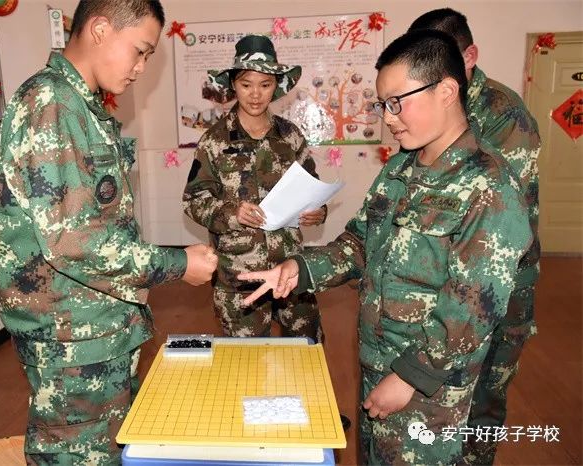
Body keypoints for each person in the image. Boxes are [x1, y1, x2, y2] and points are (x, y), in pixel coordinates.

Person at [239, 29, 533, 465]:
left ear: (446, 91)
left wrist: (410, 377)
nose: (389, 118)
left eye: (397, 102)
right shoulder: (399, 169)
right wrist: (300, 269)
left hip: (429, 389)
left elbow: (473, 307)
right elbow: (360, 242)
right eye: (383, 105)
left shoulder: (489, 186)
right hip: (378, 361)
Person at [0, 1, 217, 463]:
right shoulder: (51, 104)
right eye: (140, 50)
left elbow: (99, 221)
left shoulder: (81, 107)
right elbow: (74, 242)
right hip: (72, 338)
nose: (141, 67)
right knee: (77, 455)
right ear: (99, 29)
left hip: (98, 327)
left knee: (110, 449)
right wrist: (178, 263)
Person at [408, 9, 541, 465]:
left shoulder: (505, 117)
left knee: (482, 397)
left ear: (470, 57)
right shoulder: (427, 108)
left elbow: (494, 220)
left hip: (495, 287)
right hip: (440, 282)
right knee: (438, 398)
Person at [182, 34, 326, 342]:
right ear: (233, 84)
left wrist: (319, 211)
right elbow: (193, 201)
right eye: (246, 84)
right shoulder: (214, 141)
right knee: (246, 360)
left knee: (305, 349)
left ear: (276, 85)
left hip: (290, 270)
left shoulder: (290, 136)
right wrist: (233, 214)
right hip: (240, 277)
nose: (256, 94)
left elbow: (312, 188)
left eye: (265, 84)